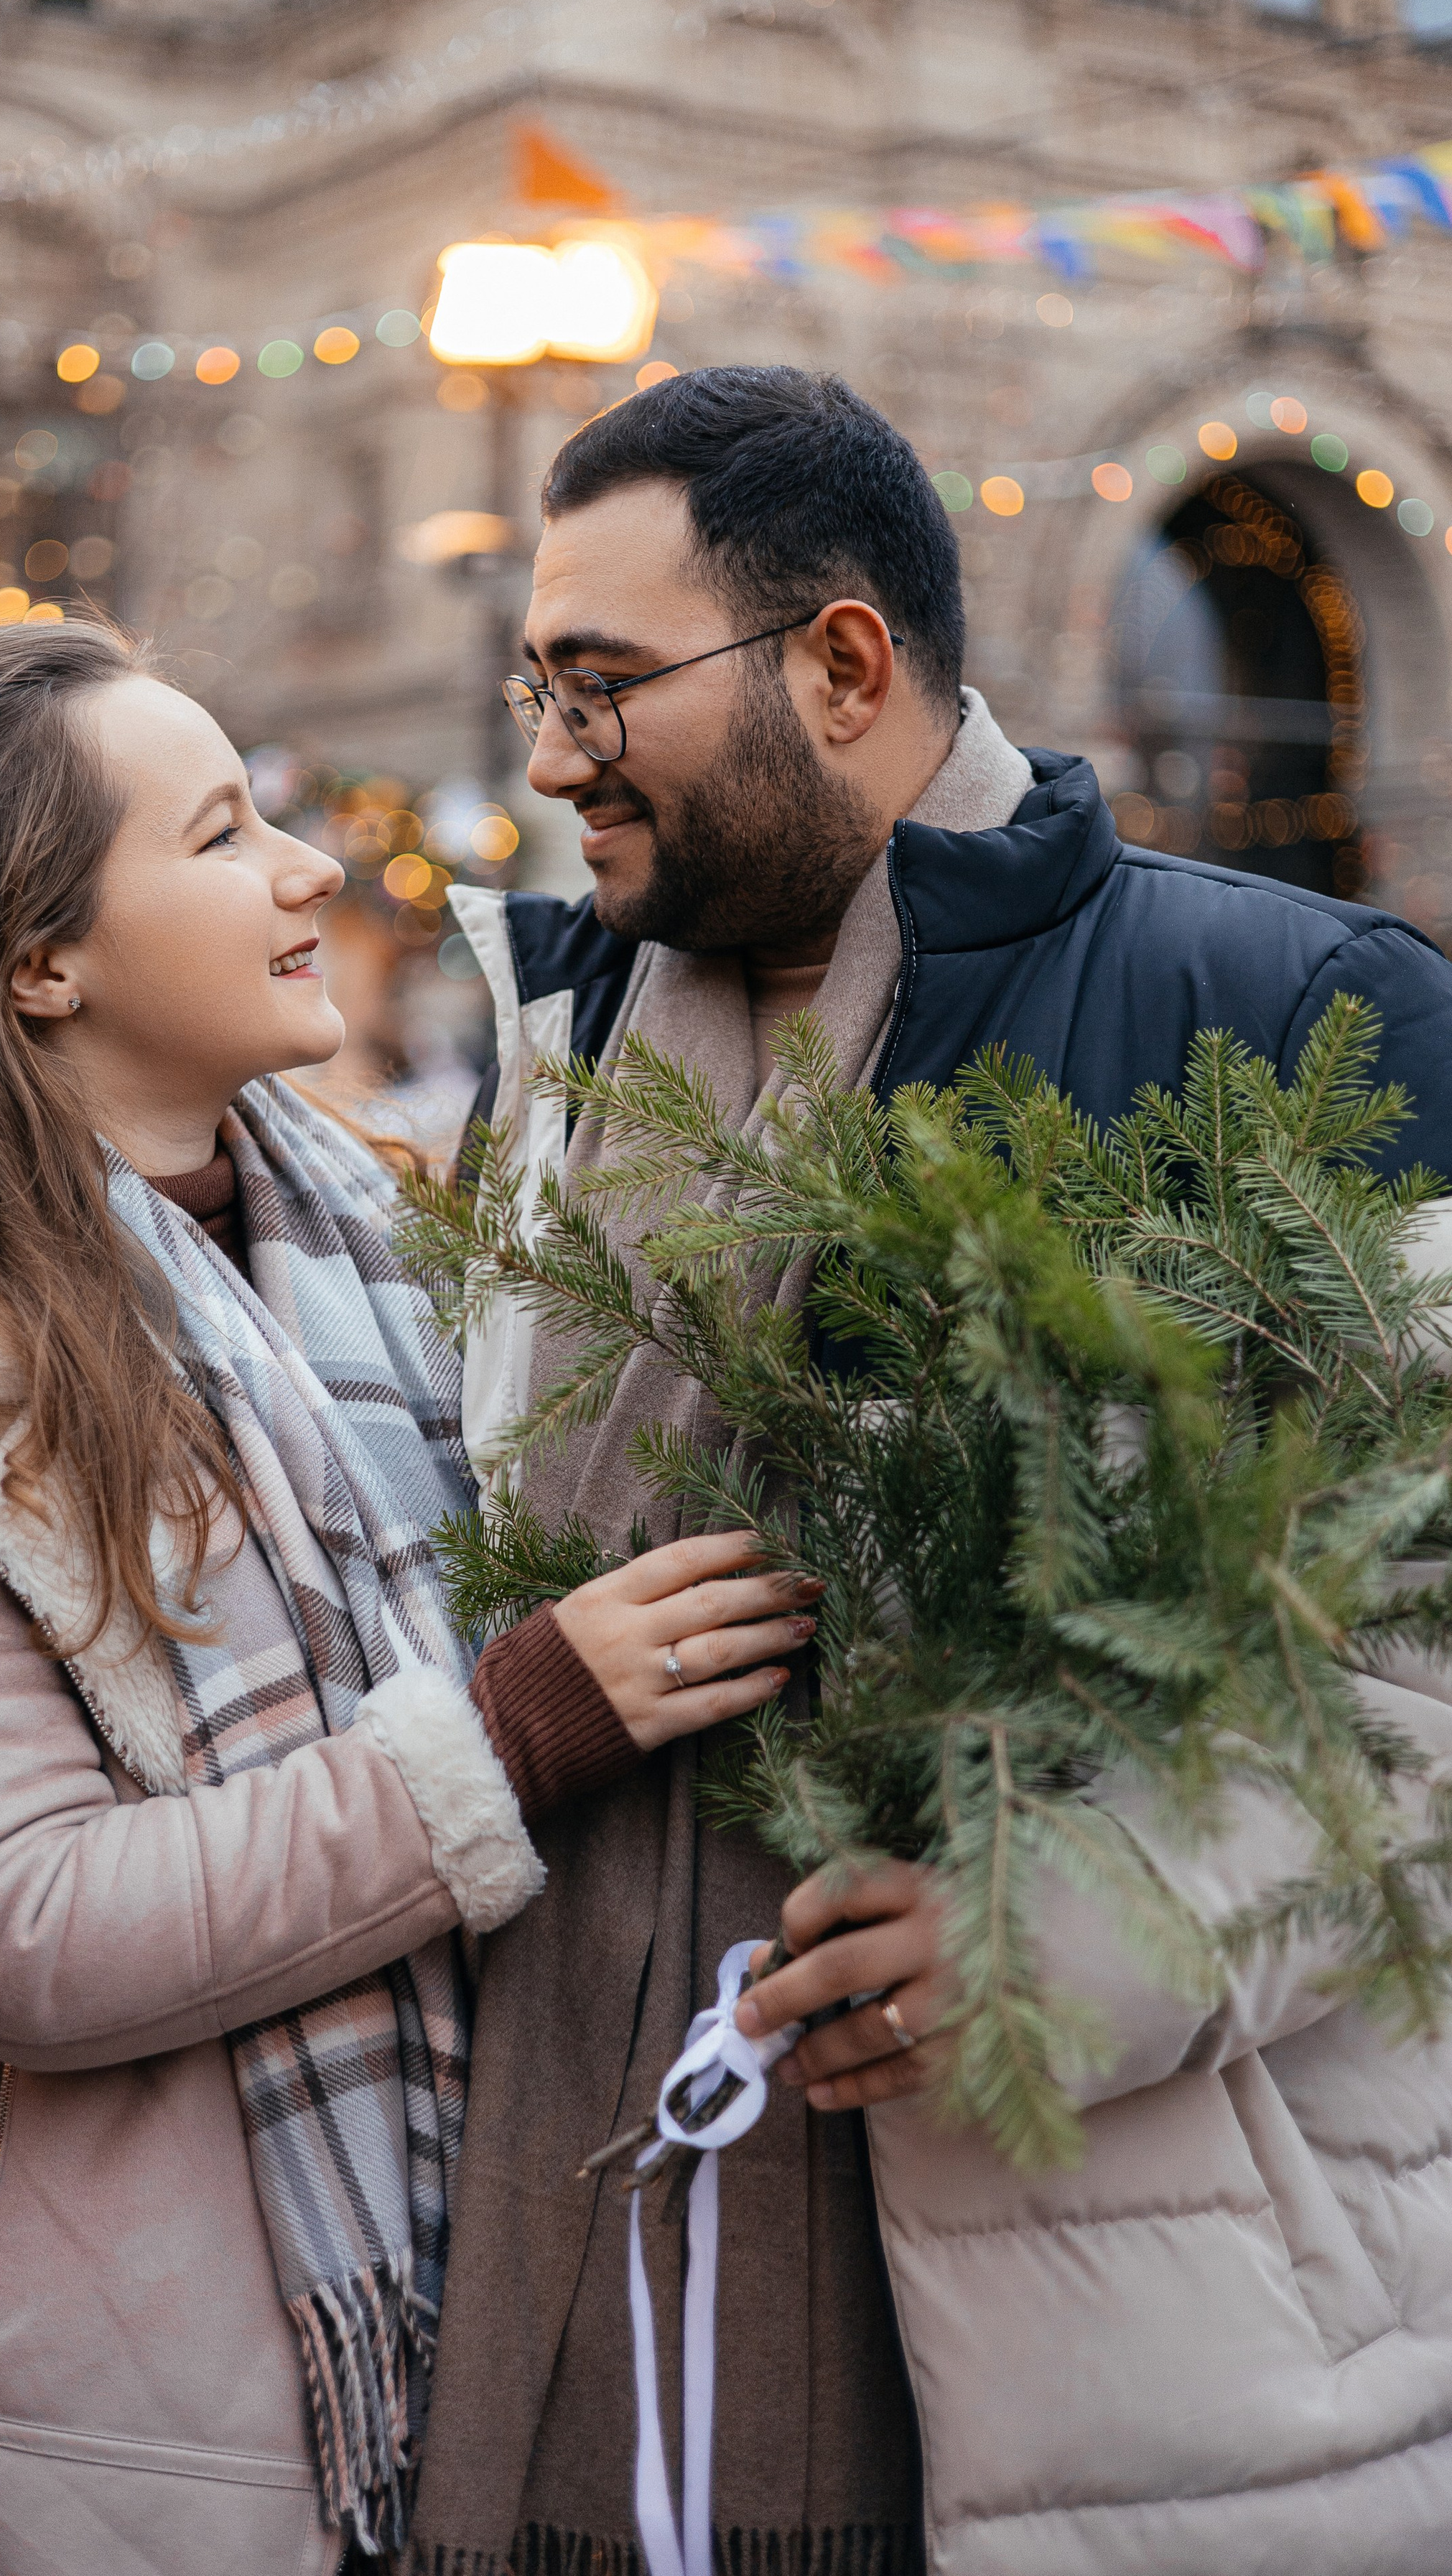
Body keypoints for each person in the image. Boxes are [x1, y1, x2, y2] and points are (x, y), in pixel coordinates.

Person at [0, 618, 816, 2576]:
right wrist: (510, 1738)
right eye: (221, 833)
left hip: (430, 2344)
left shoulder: (379, 1260)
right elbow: (13, 1925)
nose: (310, 871)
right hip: (78, 2444)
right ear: (41, 961)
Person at [415, 366, 1452, 2575]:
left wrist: (1060, 1931)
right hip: (583, 2238)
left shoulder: (1299, 1015)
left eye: (603, 689)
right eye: (536, 685)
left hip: (1143, 2298)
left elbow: (1424, 1681)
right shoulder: (566, 1040)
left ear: (846, 664)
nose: (546, 757)